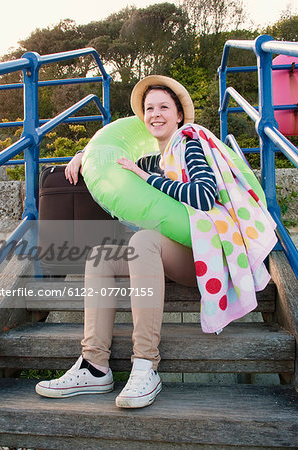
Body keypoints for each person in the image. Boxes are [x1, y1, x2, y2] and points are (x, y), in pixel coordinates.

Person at [34, 75, 220, 408]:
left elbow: (205, 196)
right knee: (100, 255)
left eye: (164, 106)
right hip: (164, 255)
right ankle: (94, 365)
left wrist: (150, 181)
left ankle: (146, 364)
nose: (155, 114)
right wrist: (85, 154)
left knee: (144, 239)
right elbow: (112, 162)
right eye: (149, 108)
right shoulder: (148, 160)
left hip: (202, 255)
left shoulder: (190, 145)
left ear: (179, 115)